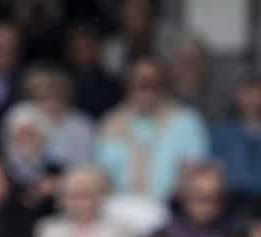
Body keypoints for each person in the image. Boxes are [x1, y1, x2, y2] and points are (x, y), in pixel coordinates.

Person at [95, 57, 209, 200]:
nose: (145, 89)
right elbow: (99, 178)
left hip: (170, 211)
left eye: (151, 83)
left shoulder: (187, 122)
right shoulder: (110, 123)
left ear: (164, 85)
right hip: (118, 210)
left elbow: (195, 176)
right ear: (128, 85)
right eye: (139, 83)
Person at [34, 165, 133, 237]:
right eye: (74, 197)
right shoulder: (48, 229)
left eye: (87, 196)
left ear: (100, 198)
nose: (81, 203)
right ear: (63, 199)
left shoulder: (119, 229)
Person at [21, 66, 96, 168]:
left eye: (56, 96)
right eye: (43, 97)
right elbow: (18, 161)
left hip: (73, 178)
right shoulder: (23, 119)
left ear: (66, 97)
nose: (50, 103)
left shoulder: (81, 124)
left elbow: (85, 161)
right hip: (32, 181)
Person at [212, 73, 261, 205]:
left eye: (256, 94)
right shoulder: (222, 132)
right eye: (246, 94)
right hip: (230, 203)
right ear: (237, 96)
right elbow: (214, 170)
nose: (252, 100)